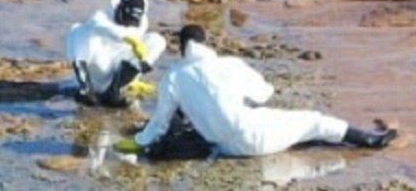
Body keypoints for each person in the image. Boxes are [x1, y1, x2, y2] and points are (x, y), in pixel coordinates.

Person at [122, 25, 397, 159]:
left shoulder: (173, 77)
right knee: (314, 121)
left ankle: (316, 140)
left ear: (181, 48)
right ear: (206, 43)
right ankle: (370, 140)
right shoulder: (229, 64)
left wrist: (139, 140)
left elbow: (159, 123)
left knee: (299, 131)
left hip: (226, 148)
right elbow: (264, 93)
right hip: (256, 134)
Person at [66, 0, 167, 107]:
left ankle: (115, 91)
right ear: (119, 8)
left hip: (119, 69)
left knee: (157, 40)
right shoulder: (101, 16)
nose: (128, 24)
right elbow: (98, 26)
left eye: (133, 21)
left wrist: (142, 62)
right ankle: (86, 89)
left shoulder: (142, 19)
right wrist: (128, 38)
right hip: (99, 69)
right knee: (80, 30)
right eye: (126, 19)